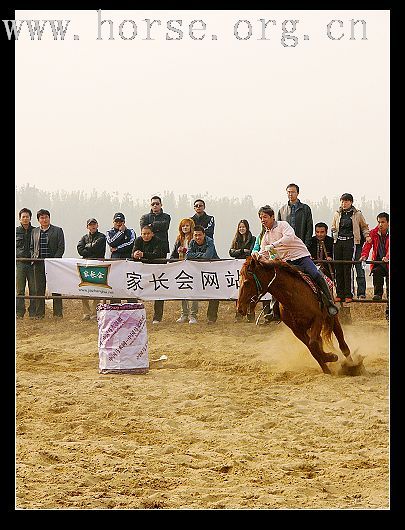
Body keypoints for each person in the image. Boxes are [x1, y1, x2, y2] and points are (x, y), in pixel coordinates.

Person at [252, 205, 339, 319]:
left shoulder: (283, 225)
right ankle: (275, 311)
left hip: (301, 257)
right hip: (287, 261)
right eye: (261, 218)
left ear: (272, 217)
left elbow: (290, 237)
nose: (263, 220)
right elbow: (264, 252)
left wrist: (274, 245)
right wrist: (256, 255)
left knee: (316, 274)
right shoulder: (266, 236)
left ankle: (329, 303)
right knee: (276, 280)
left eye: (265, 217)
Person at [331, 193, 370, 303]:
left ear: (351, 202)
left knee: (347, 268)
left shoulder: (357, 214)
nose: (344, 203)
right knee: (338, 267)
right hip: (338, 242)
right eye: (342, 201)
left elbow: (364, 226)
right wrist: (334, 234)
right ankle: (339, 293)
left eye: (347, 201)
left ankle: (349, 294)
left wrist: (367, 236)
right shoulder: (337, 213)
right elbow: (333, 226)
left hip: (351, 242)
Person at [30, 209, 65, 319]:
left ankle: (58, 314)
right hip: (38, 263)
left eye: (46, 217)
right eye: (42, 218)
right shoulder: (34, 231)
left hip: (53, 264)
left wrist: (54, 261)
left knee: (56, 289)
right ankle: (40, 314)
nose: (44, 219)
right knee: (39, 289)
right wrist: (33, 258)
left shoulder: (58, 230)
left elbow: (61, 247)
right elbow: (32, 247)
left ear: (49, 218)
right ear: (38, 220)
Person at [133, 224, 167, 324]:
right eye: (144, 234)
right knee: (134, 291)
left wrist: (143, 254)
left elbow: (157, 254)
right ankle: (135, 315)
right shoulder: (138, 240)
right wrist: (135, 254)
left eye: (148, 234)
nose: (146, 236)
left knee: (158, 293)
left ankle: (157, 317)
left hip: (156, 270)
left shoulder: (158, 241)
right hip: (142, 271)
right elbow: (133, 253)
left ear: (152, 234)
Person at [186, 225, 220, 324]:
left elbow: (208, 256)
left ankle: (211, 317)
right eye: (195, 235)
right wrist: (201, 255)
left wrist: (196, 256)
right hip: (198, 270)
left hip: (213, 269)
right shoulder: (192, 242)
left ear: (204, 235)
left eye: (200, 235)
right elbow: (188, 255)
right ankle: (192, 315)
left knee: (214, 293)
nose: (197, 237)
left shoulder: (209, 241)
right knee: (194, 290)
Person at [360, 212, 389, 319]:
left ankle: (388, 314)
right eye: (379, 222)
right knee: (376, 272)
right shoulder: (374, 233)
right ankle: (377, 294)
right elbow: (367, 246)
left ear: (388, 223)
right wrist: (364, 256)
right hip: (379, 262)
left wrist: (387, 257)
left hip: (388, 262)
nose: (380, 224)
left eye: (383, 222)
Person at [77, 218, 107, 321]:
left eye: (94, 224)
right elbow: (80, 250)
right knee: (84, 289)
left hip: (98, 265)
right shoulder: (84, 237)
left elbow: (97, 247)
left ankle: (95, 313)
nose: (93, 226)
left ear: (97, 225)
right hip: (86, 266)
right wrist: (90, 249)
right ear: (87, 227)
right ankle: (86, 313)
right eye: (90, 224)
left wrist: (87, 248)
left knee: (97, 289)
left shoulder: (102, 236)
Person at [170, 217, 198, 324]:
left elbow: (195, 252)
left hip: (192, 268)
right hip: (181, 268)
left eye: (187, 225)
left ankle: (193, 315)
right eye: (183, 226)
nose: (185, 228)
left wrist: (186, 250)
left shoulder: (195, 238)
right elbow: (173, 254)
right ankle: (184, 314)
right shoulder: (179, 239)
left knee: (193, 292)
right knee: (183, 290)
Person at [229, 219, 256, 323]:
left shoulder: (252, 238)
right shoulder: (236, 239)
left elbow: (251, 251)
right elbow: (231, 252)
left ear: (247, 227)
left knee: (250, 291)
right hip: (238, 268)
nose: (241, 229)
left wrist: (242, 253)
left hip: (249, 267)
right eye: (240, 227)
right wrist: (241, 251)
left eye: (243, 227)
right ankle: (239, 314)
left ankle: (251, 313)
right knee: (239, 292)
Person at [106, 212, 136, 303]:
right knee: (115, 286)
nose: (119, 223)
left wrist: (117, 248)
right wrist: (121, 232)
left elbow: (131, 244)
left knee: (129, 286)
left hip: (128, 263)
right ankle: (115, 308)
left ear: (124, 222)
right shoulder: (109, 232)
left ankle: (132, 307)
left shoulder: (131, 231)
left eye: (121, 221)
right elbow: (111, 242)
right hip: (115, 263)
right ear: (113, 222)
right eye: (117, 221)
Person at [277, 183, 313, 248]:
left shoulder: (305, 208)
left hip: (300, 244)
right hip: (286, 245)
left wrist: (306, 244)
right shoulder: (282, 210)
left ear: (297, 193)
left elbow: (309, 228)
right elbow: (278, 230)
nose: (290, 194)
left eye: (293, 192)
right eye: (288, 192)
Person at [16, 208, 36, 319]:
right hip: (20, 263)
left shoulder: (35, 231)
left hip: (33, 263)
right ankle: (19, 313)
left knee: (33, 289)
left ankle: (33, 313)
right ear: (20, 218)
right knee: (20, 290)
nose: (25, 218)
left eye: (27, 216)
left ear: (30, 218)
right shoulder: (16, 231)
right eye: (23, 217)